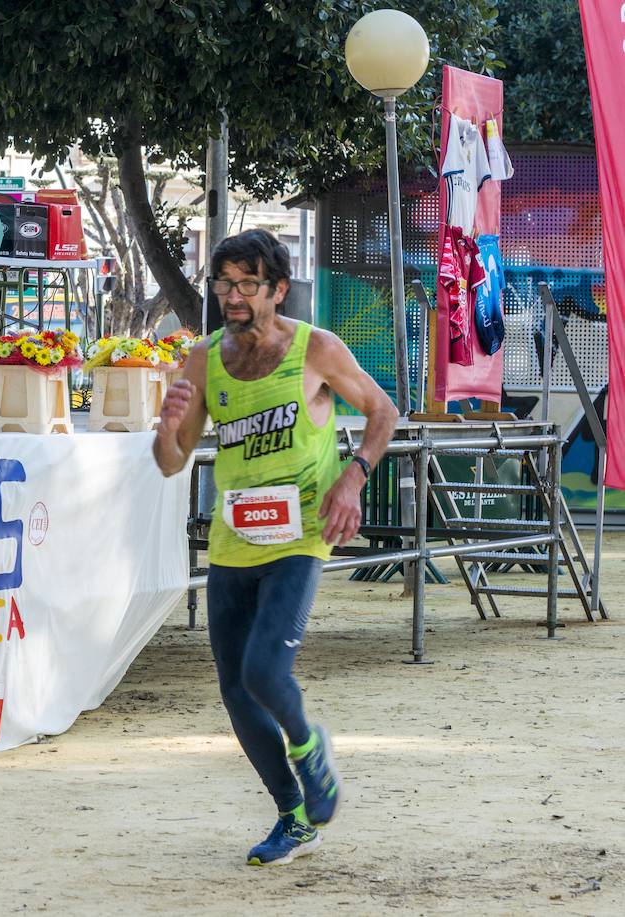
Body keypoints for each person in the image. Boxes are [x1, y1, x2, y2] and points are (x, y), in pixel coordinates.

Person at [152, 229, 397, 867]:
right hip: (235, 540)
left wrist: (352, 478)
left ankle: (307, 746)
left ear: (277, 288)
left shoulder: (315, 349)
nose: (232, 296)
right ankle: (292, 814)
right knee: (235, 690)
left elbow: (382, 411)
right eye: (223, 284)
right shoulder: (204, 360)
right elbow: (172, 464)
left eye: (246, 285)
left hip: (300, 534)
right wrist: (168, 425)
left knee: (265, 672)